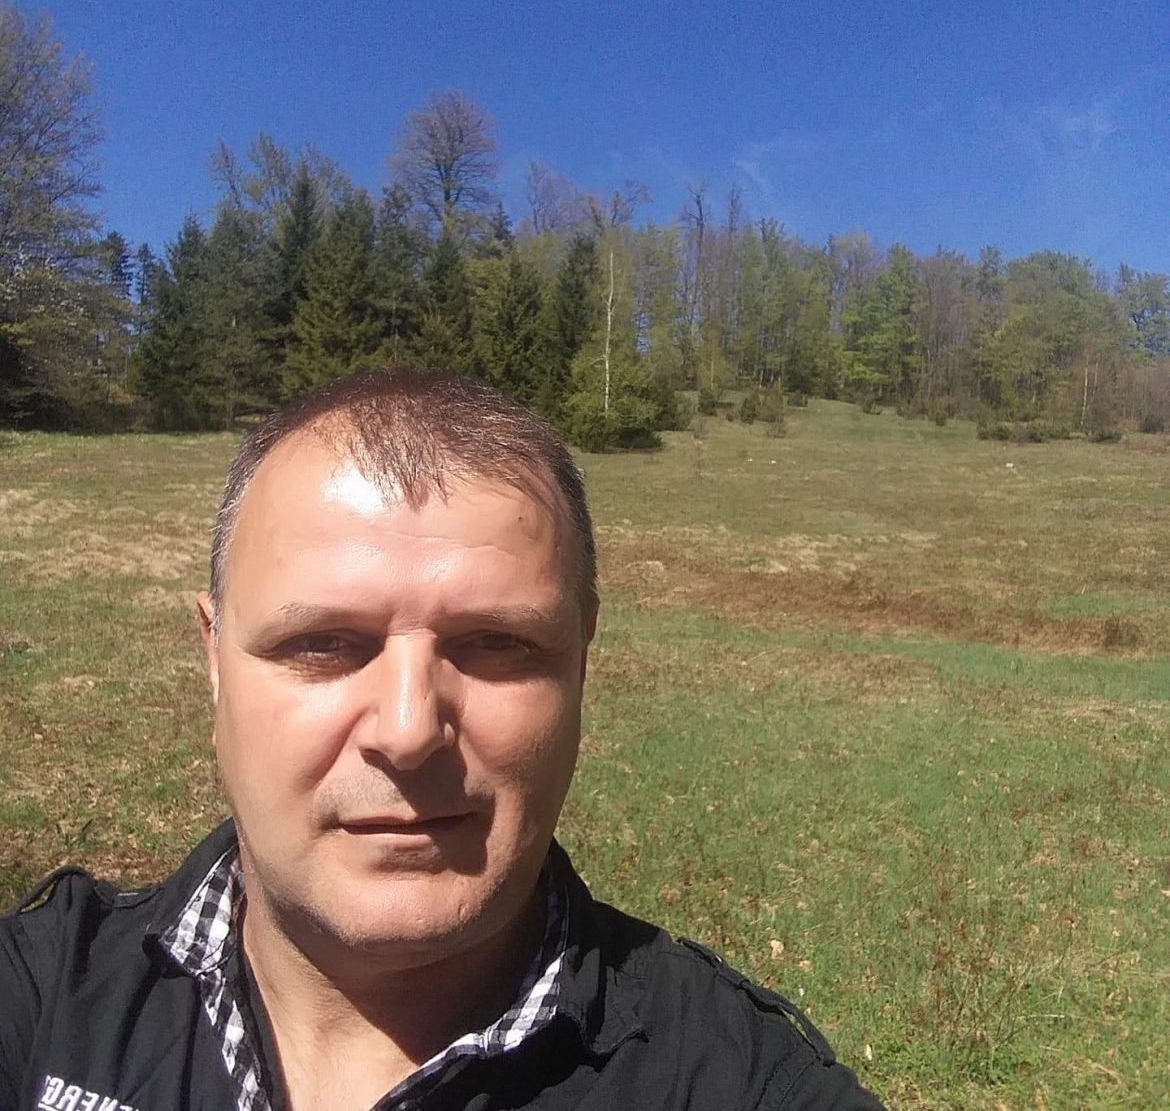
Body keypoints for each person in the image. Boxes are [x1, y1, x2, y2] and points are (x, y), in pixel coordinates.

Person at [0, 369, 885, 1111]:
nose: (409, 730)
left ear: (581, 666)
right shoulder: (36, 1002)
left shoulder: (739, 1084)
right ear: (214, 659)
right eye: (322, 644)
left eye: (497, 644)